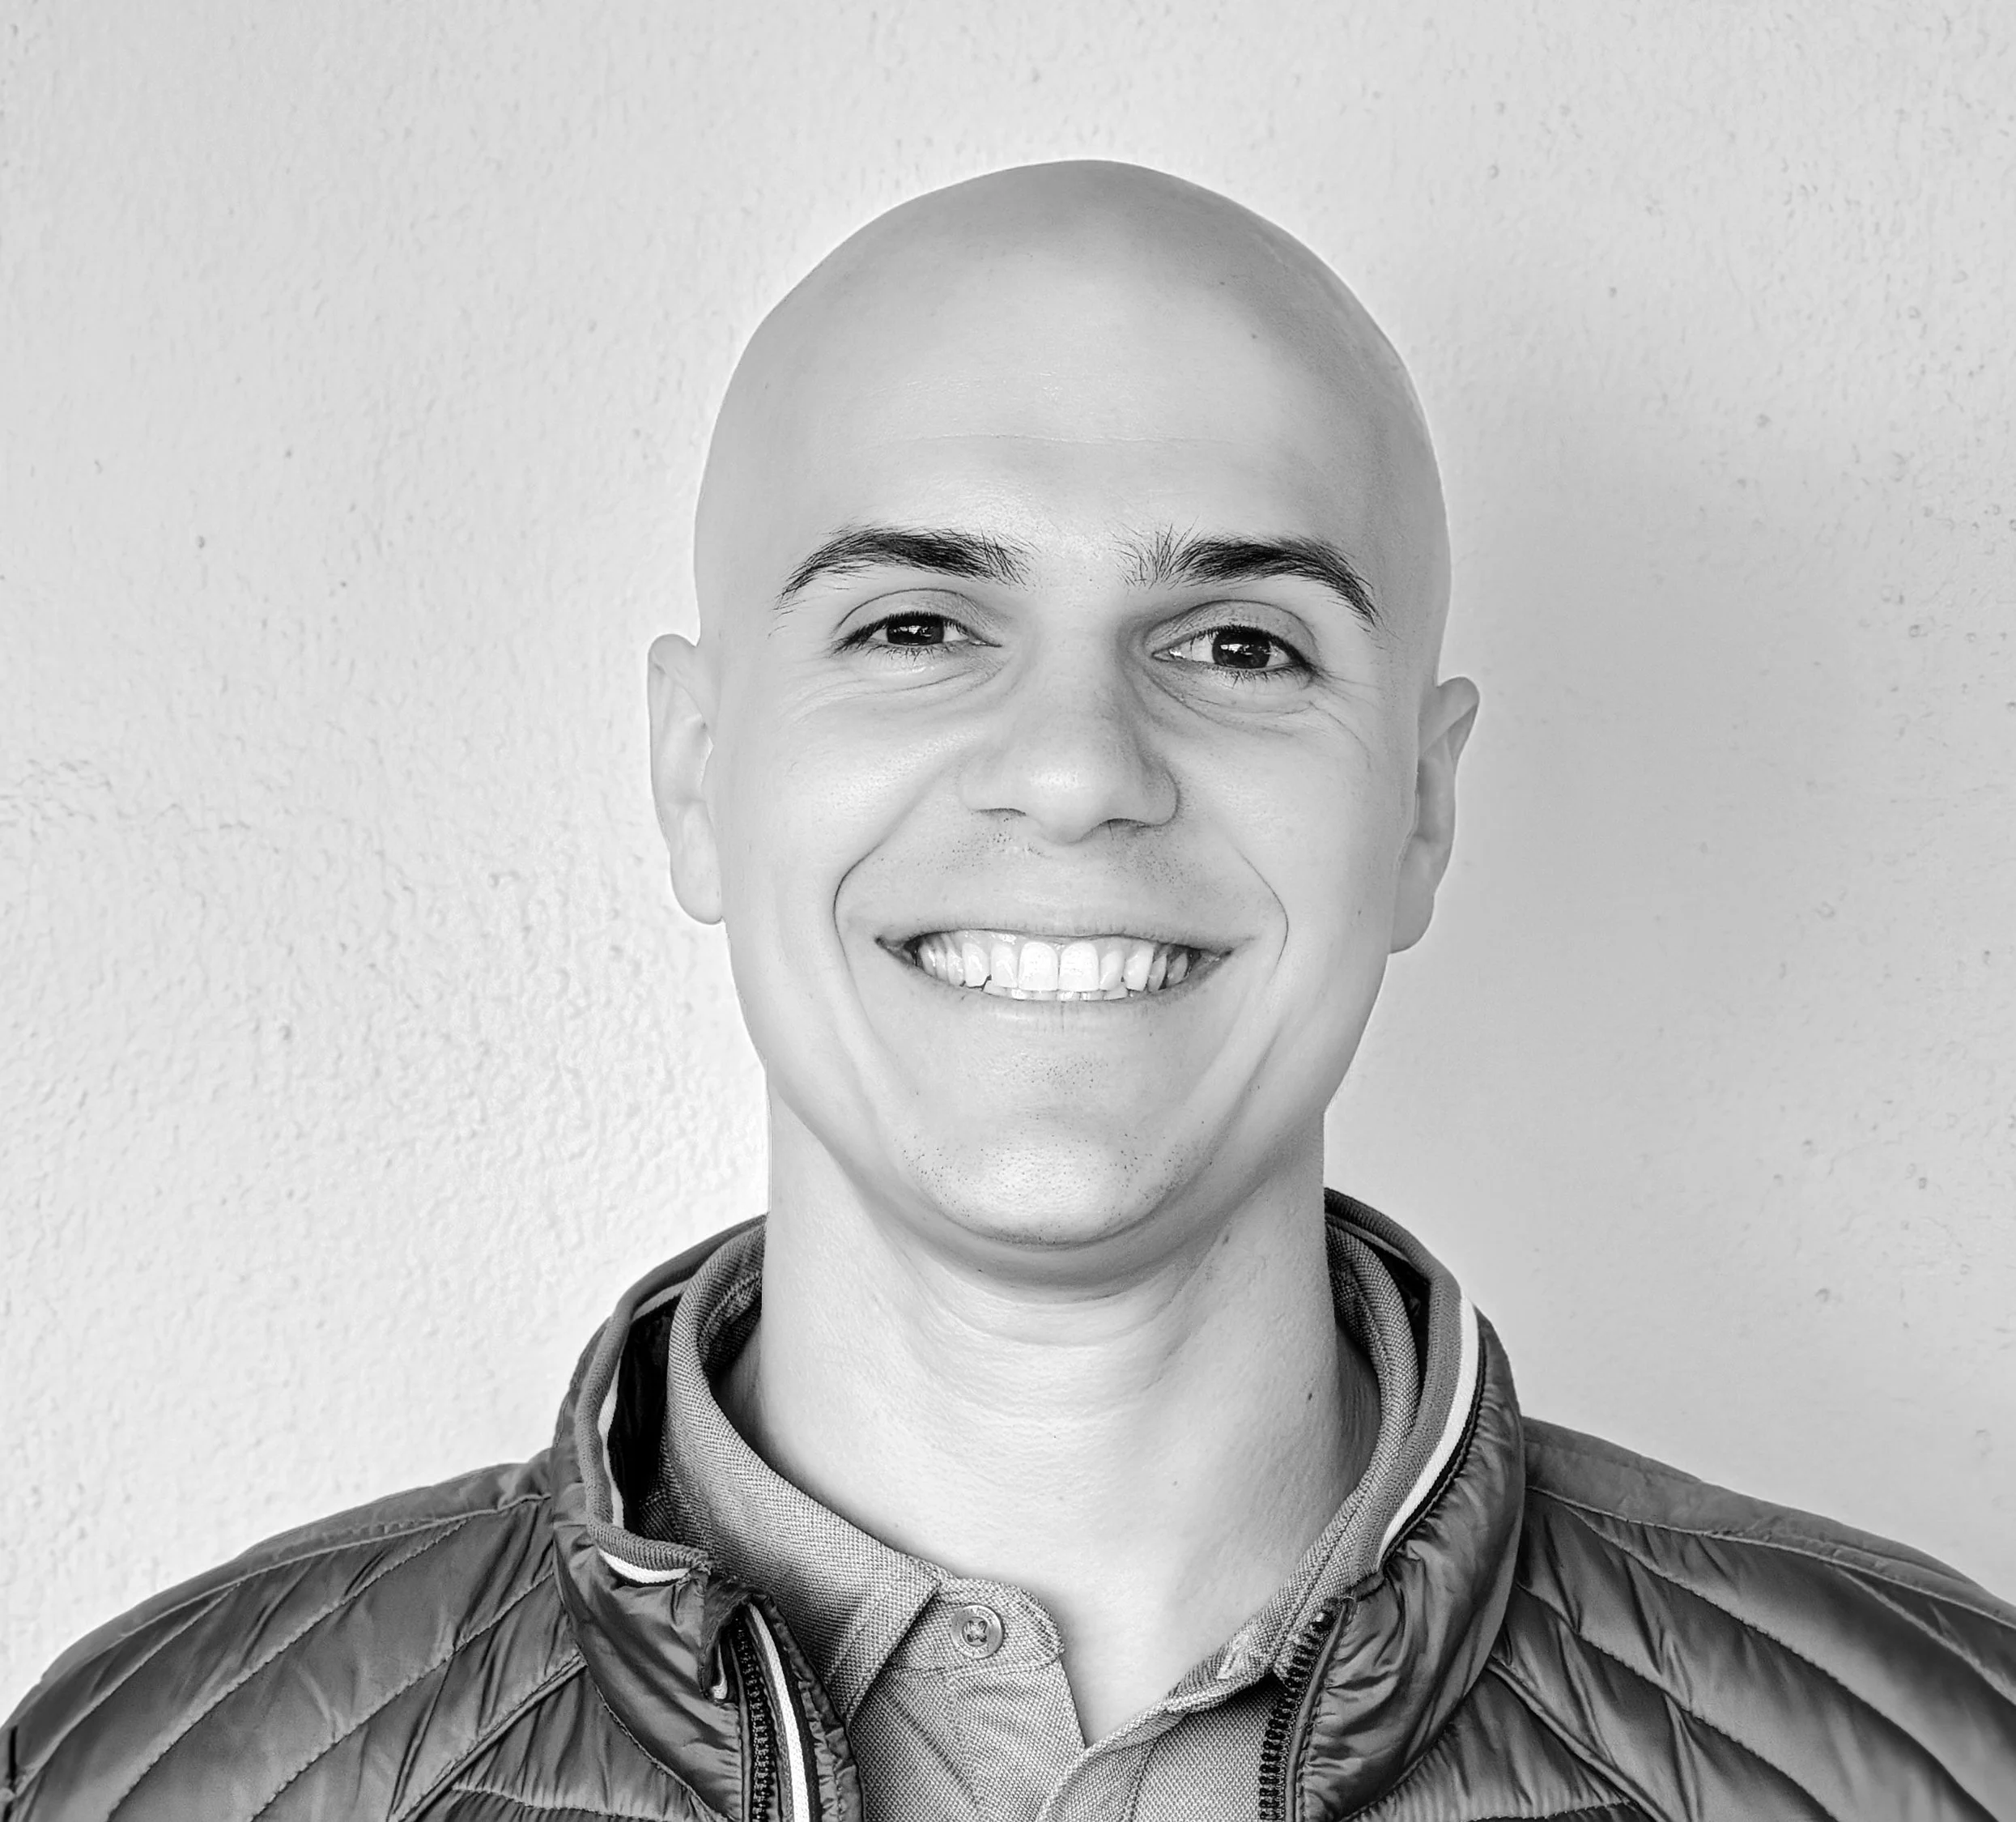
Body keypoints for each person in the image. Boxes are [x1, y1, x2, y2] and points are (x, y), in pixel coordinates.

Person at [6, 159, 2012, 1822]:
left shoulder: (1945, 1759)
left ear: (1417, 807)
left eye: (1237, 644)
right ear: (700, 779)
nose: (1073, 765)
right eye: (916, 621)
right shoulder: (145, 1779)